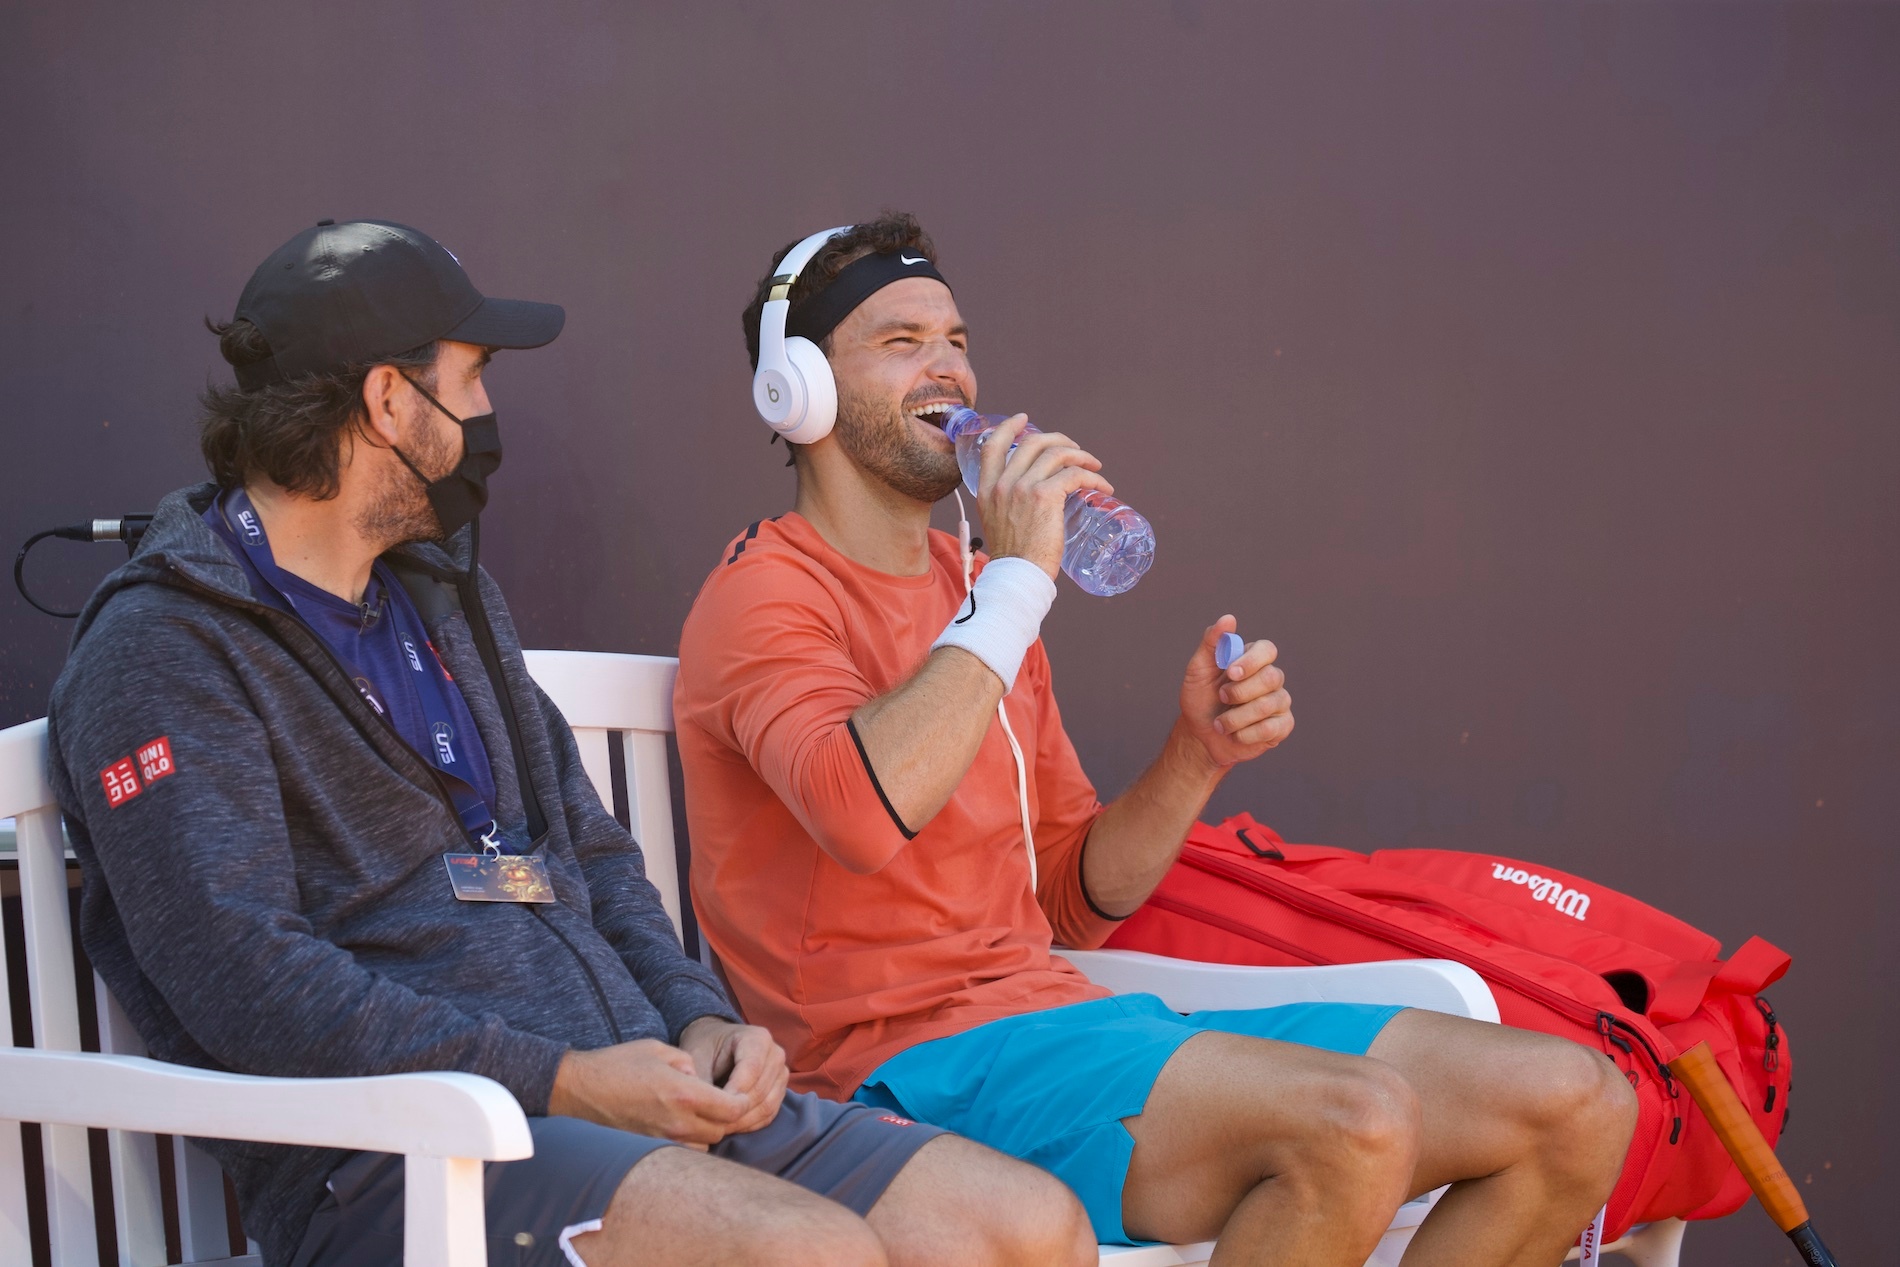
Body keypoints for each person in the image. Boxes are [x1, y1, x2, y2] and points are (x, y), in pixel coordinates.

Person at [46, 219, 1093, 1267]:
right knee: (806, 1253)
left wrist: (696, 1024)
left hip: (626, 1103)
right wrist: (561, 1081)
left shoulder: (445, 594)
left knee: (1020, 1225)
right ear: (387, 401)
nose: (490, 413)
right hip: (410, 1160)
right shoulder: (165, 647)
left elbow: (587, 853)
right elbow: (245, 980)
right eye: (474, 378)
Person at [674, 213, 1641, 1266]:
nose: (947, 365)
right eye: (899, 340)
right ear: (796, 388)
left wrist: (1195, 757)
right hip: (899, 1072)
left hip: (1065, 1021)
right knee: (1350, 1122)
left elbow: (1070, 902)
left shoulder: (980, 597)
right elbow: (861, 813)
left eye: (955, 337)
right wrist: (1018, 583)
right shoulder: (766, 594)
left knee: (1576, 1100)